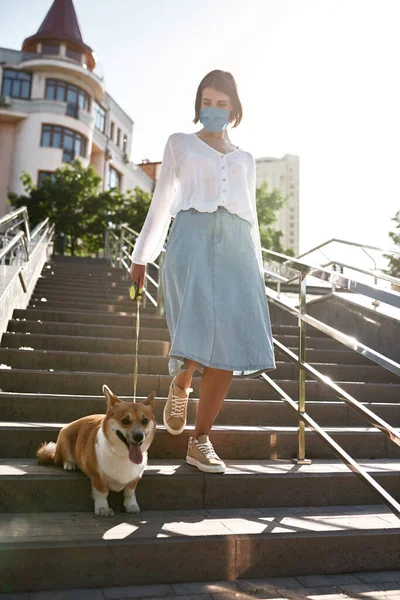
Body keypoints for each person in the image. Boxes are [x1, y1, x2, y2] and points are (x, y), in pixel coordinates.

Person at [130, 69, 276, 474]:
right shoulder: (180, 144)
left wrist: (258, 269)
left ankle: (200, 440)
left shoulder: (245, 158)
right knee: (194, 326)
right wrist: (142, 255)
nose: (213, 110)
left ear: (234, 108)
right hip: (191, 238)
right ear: (198, 105)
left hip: (237, 246)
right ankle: (182, 382)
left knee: (226, 349)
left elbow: (253, 217)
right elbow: (161, 201)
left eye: (221, 104)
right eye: (206, 102)